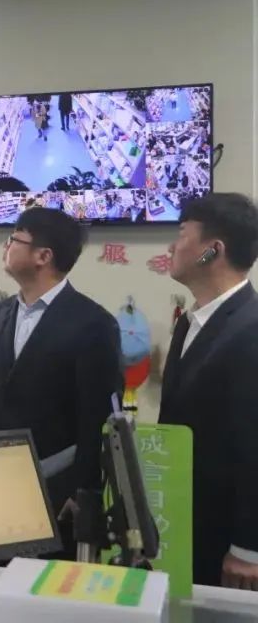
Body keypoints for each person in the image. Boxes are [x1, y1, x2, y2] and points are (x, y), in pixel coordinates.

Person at [0, 208, 123, 555]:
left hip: (55, 489)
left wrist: (82, 490)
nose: (6, 246)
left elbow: (98, 418)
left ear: (43, 256)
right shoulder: (0, 312)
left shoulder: (93, 323)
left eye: (14, 239)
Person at [159, 193, 258, 589]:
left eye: (182, 235)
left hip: (227, 538)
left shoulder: (250, 328)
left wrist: (249, 547)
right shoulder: (191, 322)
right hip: (185, 521)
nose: (172, 247)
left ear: (212, 250)